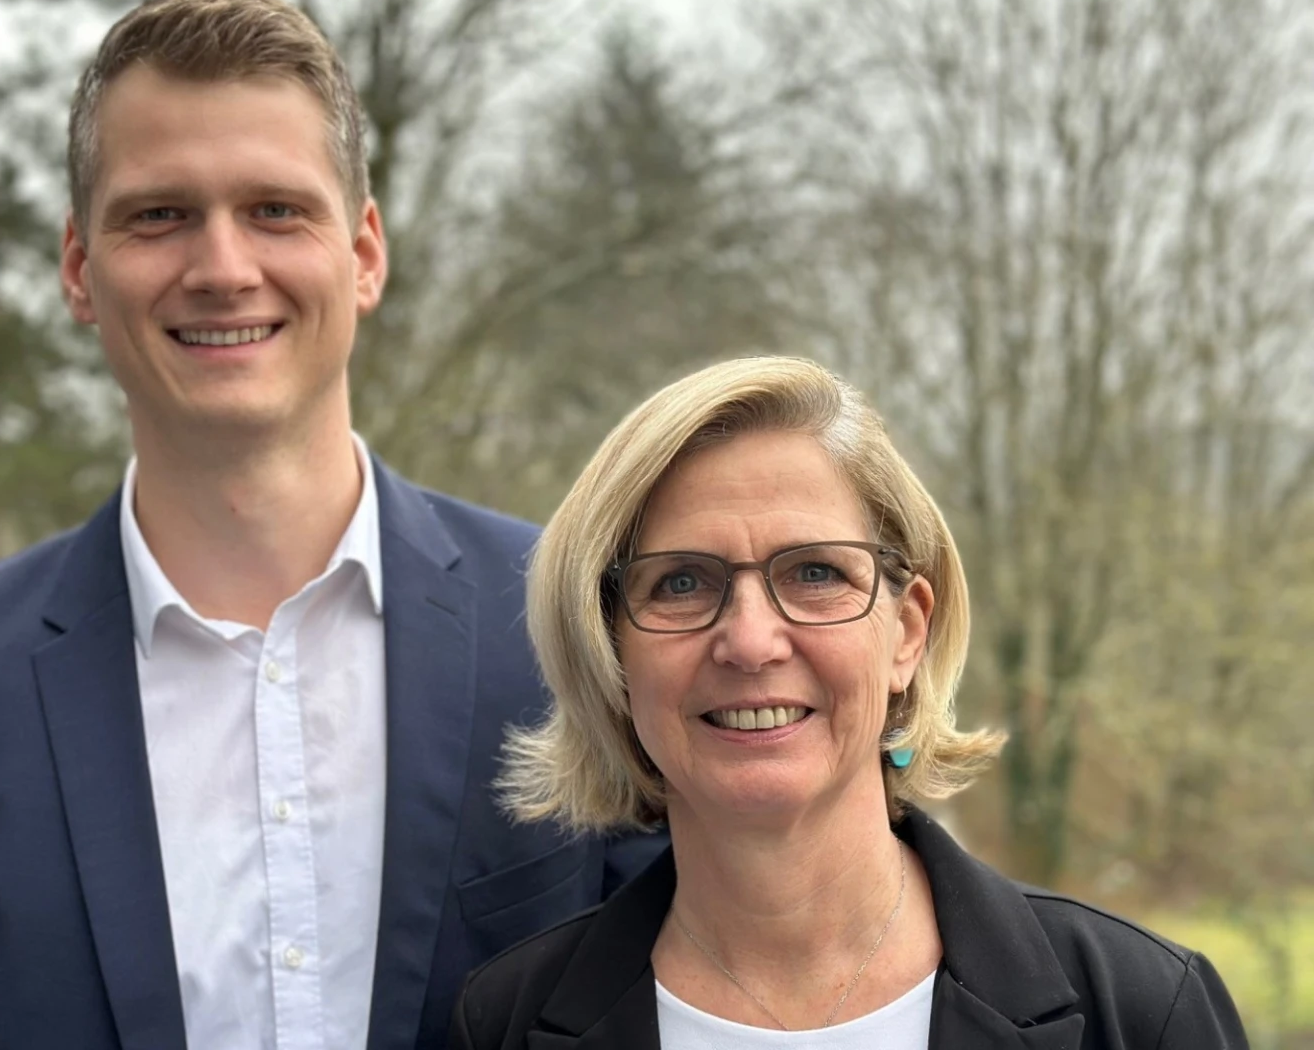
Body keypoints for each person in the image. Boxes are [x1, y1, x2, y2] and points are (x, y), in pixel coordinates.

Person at [0, 0, 661, 1050]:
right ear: (81, 270)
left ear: (363, 255)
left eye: (275, 209)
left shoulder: (572, 630)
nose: (223, 269)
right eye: (159, 215)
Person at [447, 357, 1248, 1049]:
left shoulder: (1141, 1012)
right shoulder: (505, 1025)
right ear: (608, 648)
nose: (751, 641)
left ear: (906, 633)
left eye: (816, 573)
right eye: (681, 582)